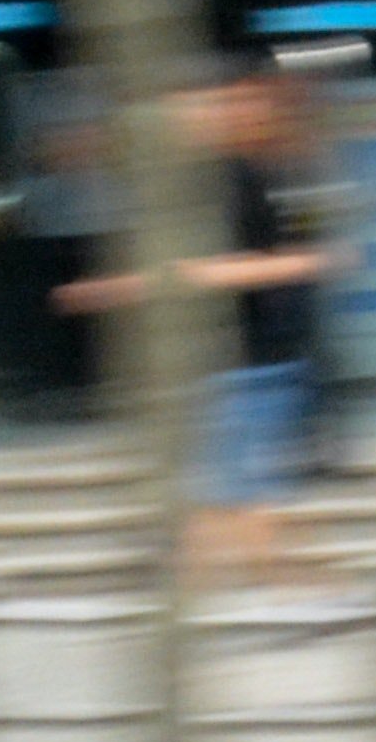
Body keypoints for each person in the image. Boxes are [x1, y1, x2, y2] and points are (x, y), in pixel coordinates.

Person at [55, 64, 341, 589]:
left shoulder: (240, 177)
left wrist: (185, 278)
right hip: (225, 364)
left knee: (229, 495)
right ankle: (268, 591)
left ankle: (291, 590)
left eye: (203, 108)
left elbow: (265, 261)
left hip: (255, 360)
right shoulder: (198, 182)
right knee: (226, 495)